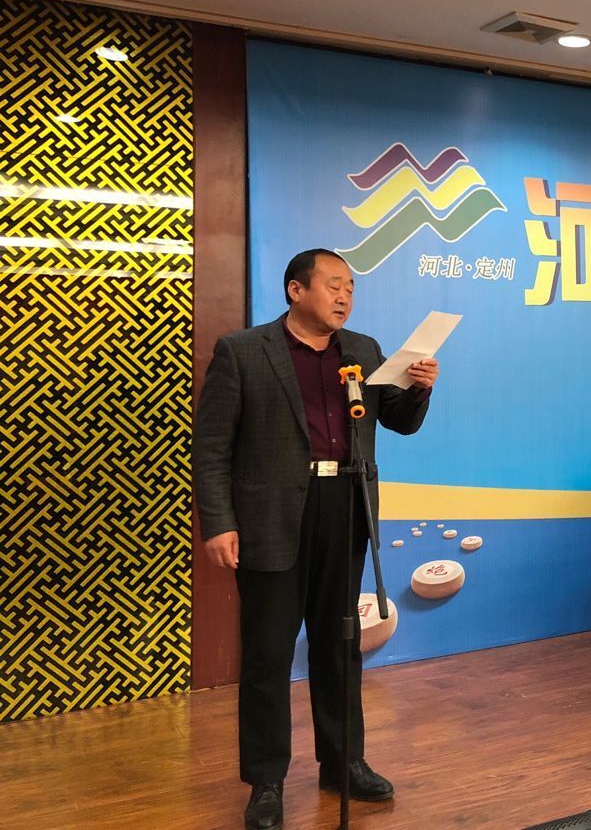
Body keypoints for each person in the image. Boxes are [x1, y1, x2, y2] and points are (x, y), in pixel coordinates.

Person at [194, 248, 438, 830]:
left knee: (339, 644)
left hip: (345, 508)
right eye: (333, 285)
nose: (344, 296)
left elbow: (397, 420)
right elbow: (211, 446)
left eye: (350, 287)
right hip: (271, 515)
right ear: (295, 290)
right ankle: (266, 782)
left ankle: (343, 763)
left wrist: (419, 389)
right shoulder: (243, 351)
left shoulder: (363, 351)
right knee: (268, 653)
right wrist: (219, 522)